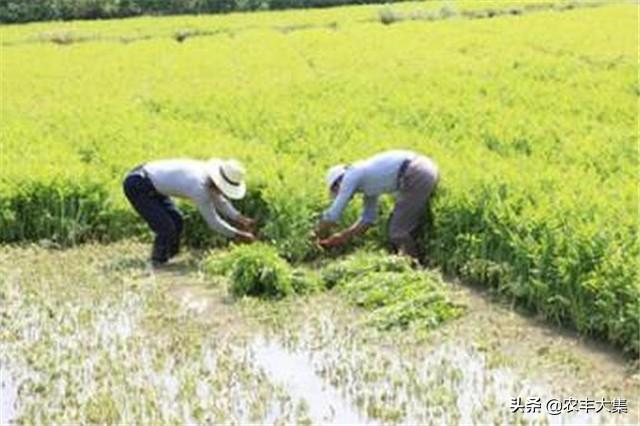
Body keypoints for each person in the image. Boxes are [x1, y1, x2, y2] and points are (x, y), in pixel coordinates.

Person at [123, 158, 257, 266]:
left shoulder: (207, 175)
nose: (222, 192)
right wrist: (238, 235)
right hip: (137, 185)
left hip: (151, 182)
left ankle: (170, 257)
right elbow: (214, 222)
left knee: (177, 220)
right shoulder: (198, 187)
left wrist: (239, 218)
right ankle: (157, 265)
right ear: (218, 183)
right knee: (166, 228)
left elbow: (220, 201)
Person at [316, 150, 439, 259]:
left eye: (336, 191)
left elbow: (333, 215)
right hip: (421, 169)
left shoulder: (352, 174)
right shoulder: (367, 184)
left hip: (416, 172)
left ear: (339, 182)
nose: (339, 194)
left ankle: (413, 268)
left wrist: (315, 236)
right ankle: (412, 259)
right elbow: (368, 219)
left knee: (398, 231)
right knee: (402, 224)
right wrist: (343, 237)